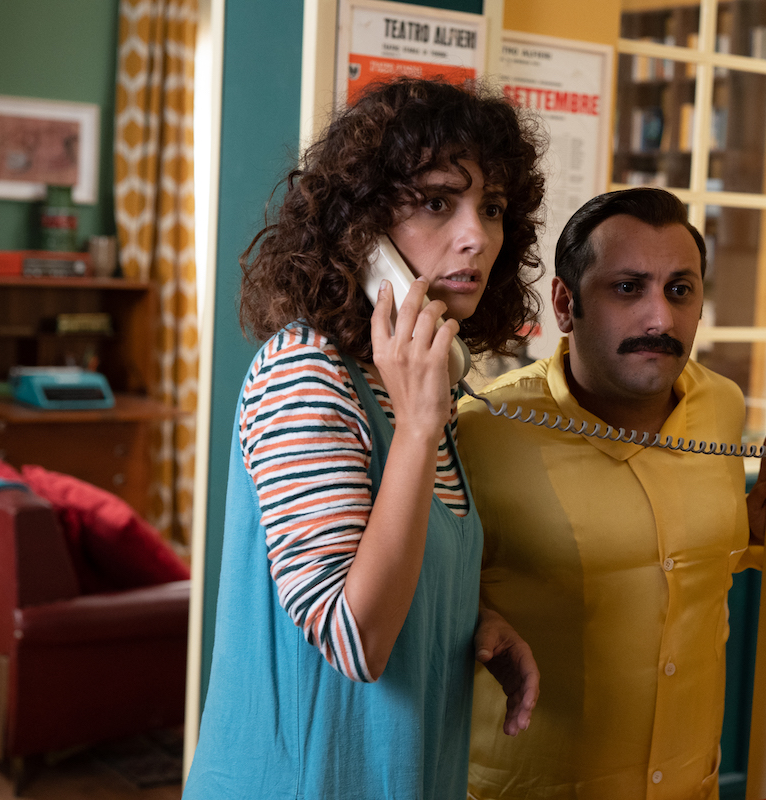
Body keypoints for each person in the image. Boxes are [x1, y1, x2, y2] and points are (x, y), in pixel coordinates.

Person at [183, 78, 544, 800]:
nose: (477, 236)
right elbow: (355, 639)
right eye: (438, 203)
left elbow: (389, 562)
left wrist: (474, 619)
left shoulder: (411, 383)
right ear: (363, 227)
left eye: (493, 208)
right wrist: (418, 426)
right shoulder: (305, 372)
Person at [457, 187, 766, 799]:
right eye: (628, 288)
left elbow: (672, 565)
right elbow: (417, 598)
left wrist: (745, 535)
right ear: (565, 303)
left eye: (679, 290)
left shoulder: (721, 406)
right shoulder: (481, 431)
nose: (660, 319)